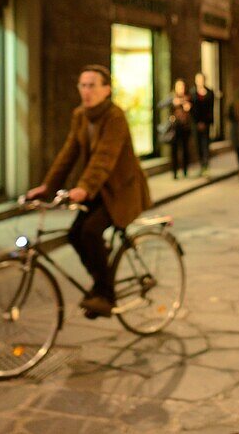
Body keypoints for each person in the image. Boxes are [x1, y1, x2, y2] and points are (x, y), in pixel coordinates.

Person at [25, 65, 151, 317]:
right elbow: (68, 154)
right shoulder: (81, 115)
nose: (86, 91)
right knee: (75, 234)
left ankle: (106, 295)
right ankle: (101, 279)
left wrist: (83, 188)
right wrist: (47, 187)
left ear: (106, 90)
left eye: (92, 85)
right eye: (82, 85)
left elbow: (105, 157)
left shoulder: (115, 117)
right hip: (98, 190)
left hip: (120, 191)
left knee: (91, 231)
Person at [159, 79, 192, 180]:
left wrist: (188, 107)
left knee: (185, 150)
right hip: (174, 128)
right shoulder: (171, 97)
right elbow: (160, 105)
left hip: (185, 127)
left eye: (182, 87)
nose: (181, 89)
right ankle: (174, 172)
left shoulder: (188, 98)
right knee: (174, 151)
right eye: (179, 86)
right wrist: (172, 103)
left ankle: (185, 171)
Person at [190, 73, 215, 177]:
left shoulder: (209, 93)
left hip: (206, 123)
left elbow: (210, 109)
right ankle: (201, 165)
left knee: (205, 145)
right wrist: (197, 121)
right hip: (195, 123)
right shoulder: (192, 93)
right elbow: (192, 109)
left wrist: (205, 122)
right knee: (198, 145)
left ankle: (206, 166)